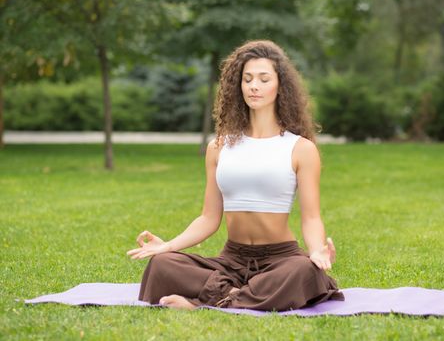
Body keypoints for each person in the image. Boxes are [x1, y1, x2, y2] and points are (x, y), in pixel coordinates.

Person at [127, 39, 344, 311]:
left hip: (281, 259)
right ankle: (240, 296)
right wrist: (168, 245)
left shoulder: (301, 149)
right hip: (231, 260)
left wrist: (315, 252)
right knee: (163, 264)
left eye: (264, 79)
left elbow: (311, 218)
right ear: (238, 85)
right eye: (247, 79)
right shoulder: (218, 147)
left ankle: (211, 301)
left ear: (281, 86)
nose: (254, 86)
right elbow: (209, 218)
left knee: (305, 271)